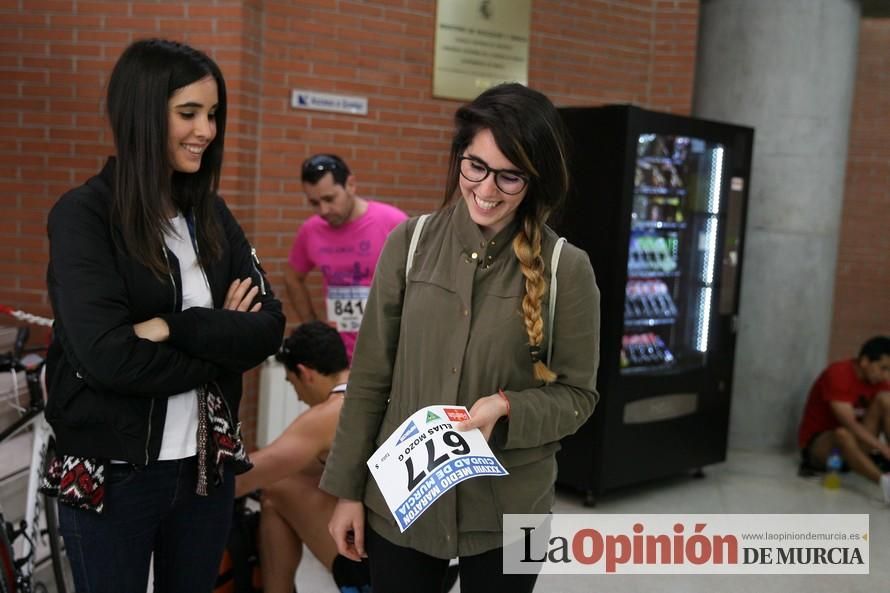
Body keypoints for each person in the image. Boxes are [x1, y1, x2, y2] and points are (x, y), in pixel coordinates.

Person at [320, 83, 601, 593]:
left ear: (536, 180)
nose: (487, 189)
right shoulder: (409, 244)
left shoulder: (567, 269)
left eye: (510, 176)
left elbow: (579, 396)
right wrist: (346, 491)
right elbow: (368, 379)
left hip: (513, 512)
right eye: (476, 166)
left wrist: (508, 408)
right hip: (401, 501)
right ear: (459, 159)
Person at [43, 39, 285, 593]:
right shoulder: (84, 217)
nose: (207, 130)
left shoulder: (211, 215)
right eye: (189, 113)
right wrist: (222, 347)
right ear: (142, 113)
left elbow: (268, 326)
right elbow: (110, 358)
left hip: (206, 470)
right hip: (111, 474)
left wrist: (177, 328)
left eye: (213, 114)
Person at [234, 321, 370, 593]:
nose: (297, 395)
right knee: (297, 479)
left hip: (372, 567)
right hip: (432, 561)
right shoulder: (369, 391)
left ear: (305, 374)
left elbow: (245, 478)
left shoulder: (328, 415)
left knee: (274, 489)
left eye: (292, 382)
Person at [283, 154, 407, 359]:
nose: (323, 210)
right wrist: (312, 324)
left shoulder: (393, 222)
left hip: (389, 352)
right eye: (314, 202)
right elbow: (292, 277)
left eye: (330, 199)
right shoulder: (310, 230)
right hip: (338, 355)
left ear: (350, 184)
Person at [797, 336, 890, 503]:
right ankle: (885, 484)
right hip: (822, 446)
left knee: (886, 400)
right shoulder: (839, 373)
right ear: (865, 361)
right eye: (883, 368)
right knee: (843, 434)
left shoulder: (879, 381)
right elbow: (849, 424)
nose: (886, 376)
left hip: (857, 444)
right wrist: (881, 447)